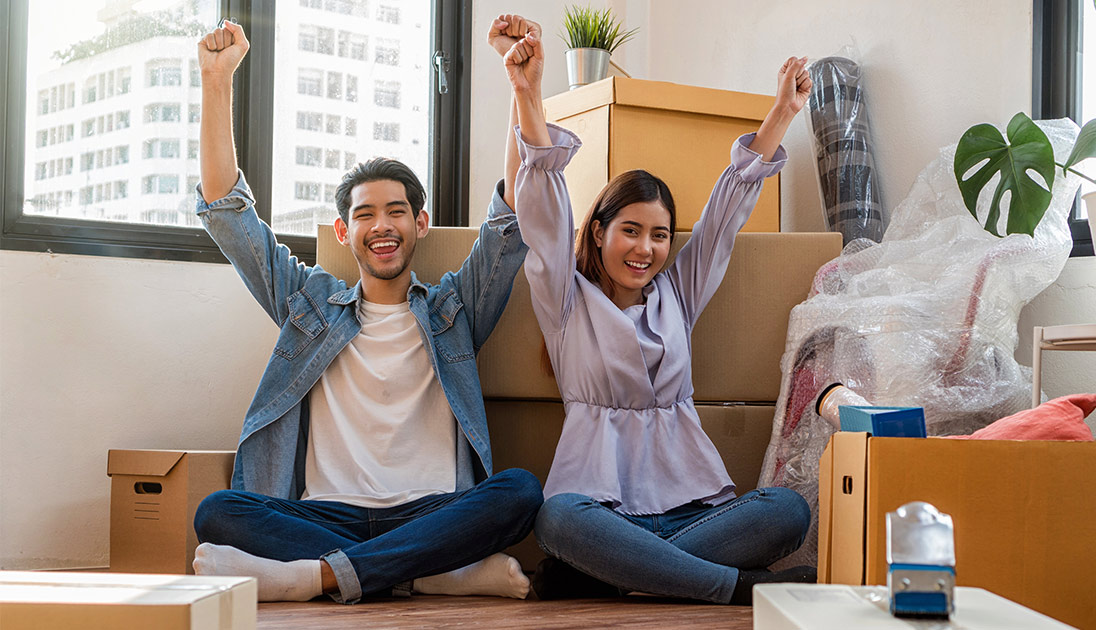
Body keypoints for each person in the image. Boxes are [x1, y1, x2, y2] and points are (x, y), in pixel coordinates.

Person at [188, 19, 542, 604]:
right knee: (218, 511)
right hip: (325, 516)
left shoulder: (455, 309)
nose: (383, 226)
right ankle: (423, 575)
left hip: (432, 513)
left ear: (420, 224)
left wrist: (520, 87)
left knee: (521, 491)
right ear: (343, 230)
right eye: (366, 214)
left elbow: (510, 218)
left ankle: (316, 578)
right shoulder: (306, 303)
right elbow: (230, 217)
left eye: (398, 211)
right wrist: (215, 79)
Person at [500, 23, 817, 605]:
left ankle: (626, 575)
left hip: (692, 516)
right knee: (558, 518)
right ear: (597, 233)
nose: (645, 248)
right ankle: (732, 588)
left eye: (660, 235)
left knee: (788, 509)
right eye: (630, 231)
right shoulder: (564, 301)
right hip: (601, 513)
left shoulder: (680, 293)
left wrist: (781, 113)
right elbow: (541, 213)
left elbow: (726, 214)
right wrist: (527, 92)